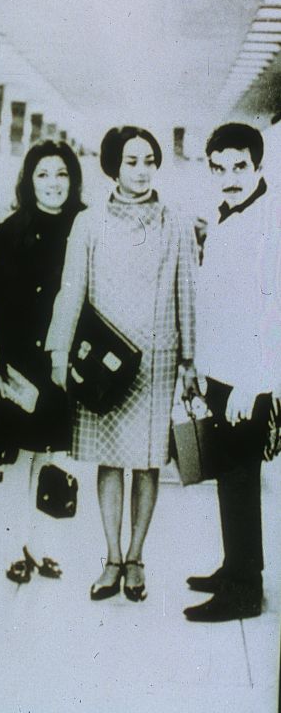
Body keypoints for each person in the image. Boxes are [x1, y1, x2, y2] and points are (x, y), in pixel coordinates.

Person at [46, 126, 198, 602]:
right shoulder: (89, 223)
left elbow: (187, 292)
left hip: (156, 358)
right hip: (103, 363)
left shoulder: (175, 222)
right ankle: (111, 556)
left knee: (148, 462)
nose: (142, 169)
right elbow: (71, 289)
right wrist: (59, 352)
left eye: (149, 159)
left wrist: (191, 358)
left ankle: (136, 558)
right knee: (110, 461)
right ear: (113, 166)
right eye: (131, 161)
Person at [184, 122, 281, 622]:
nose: (229, 177)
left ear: (258, 167)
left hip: (248, 377)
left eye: (239, 167)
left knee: (241, 478)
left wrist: (252, 383)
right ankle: (234, 566)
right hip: (223, 370)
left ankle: (244, 590)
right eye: (219, 168)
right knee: (228, 475)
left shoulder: (271, 222)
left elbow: (274, 311)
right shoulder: (224, 217)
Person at [0, 140, 85, 582]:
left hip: (65, 360)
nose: (53, 184)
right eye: (43, 174)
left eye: (61, 174)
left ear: (73, 179)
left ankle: (42, 547)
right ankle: (13, 549)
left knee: (52, 458)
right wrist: (1, 367)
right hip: (22, 363)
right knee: (18, 459)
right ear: (28, 181)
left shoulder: (84, 226)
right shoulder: (8, 232)